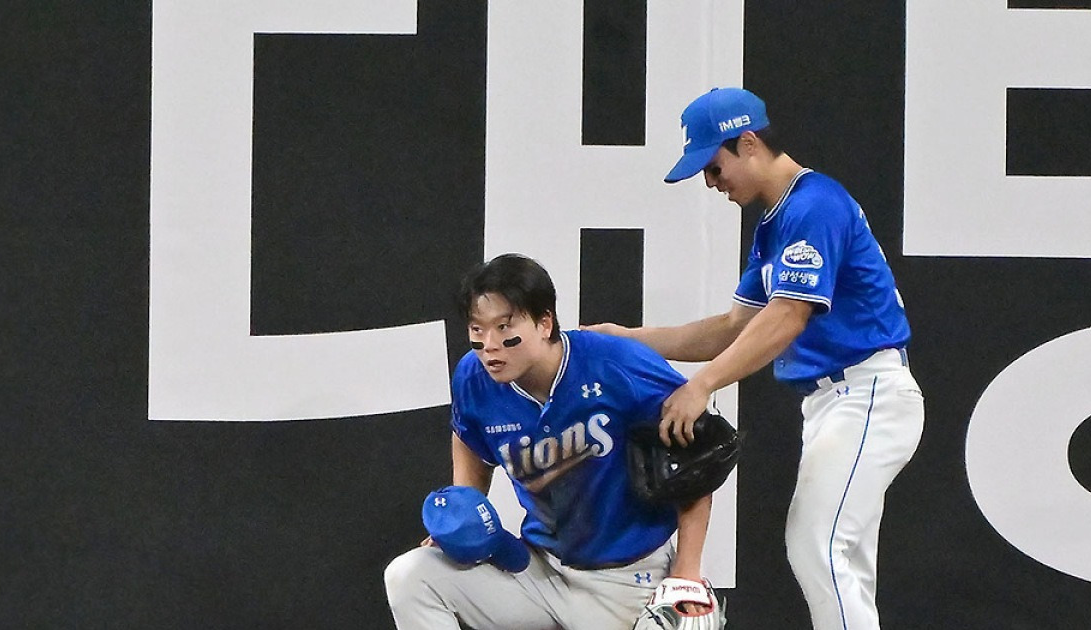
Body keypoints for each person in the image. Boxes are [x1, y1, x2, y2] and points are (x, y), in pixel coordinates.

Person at [587, 87, 925, 629]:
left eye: (714, 167)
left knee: (816, 543)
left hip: (868, 395)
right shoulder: (776, 224)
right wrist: (625, 338)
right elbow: (732, 327)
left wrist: (703, 386)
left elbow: (789, 316)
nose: (710, 182)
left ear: (748, 143)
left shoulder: (814, 204)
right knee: (842, 561)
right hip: (837, 402)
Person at [384, 253, 716, 630]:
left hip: (628, 580)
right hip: (538, 570)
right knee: (411, 576)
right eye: (477, 330)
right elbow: (468, 437)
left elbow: (696, 462)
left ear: (545, 323)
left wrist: (687, 572)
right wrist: (464, 513)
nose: (489, 345)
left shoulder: (615, 363)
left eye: (503, 326)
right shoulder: (473, 377)